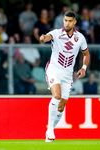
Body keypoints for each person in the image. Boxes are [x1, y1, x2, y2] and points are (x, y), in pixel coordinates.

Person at [39, 11, 90, 142]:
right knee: (56, 95)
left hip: (68, 74)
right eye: (65, 20)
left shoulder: (80, 38)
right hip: (54, 70)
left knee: (61, 106)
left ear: (74, 22)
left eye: (70, 21)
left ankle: (49, 132)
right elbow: (48, 36)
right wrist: (44, 38)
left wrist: (83, 68)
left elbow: (86, 54)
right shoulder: (56, 33)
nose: (67, 23)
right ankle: (50, 129)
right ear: (63, 21)